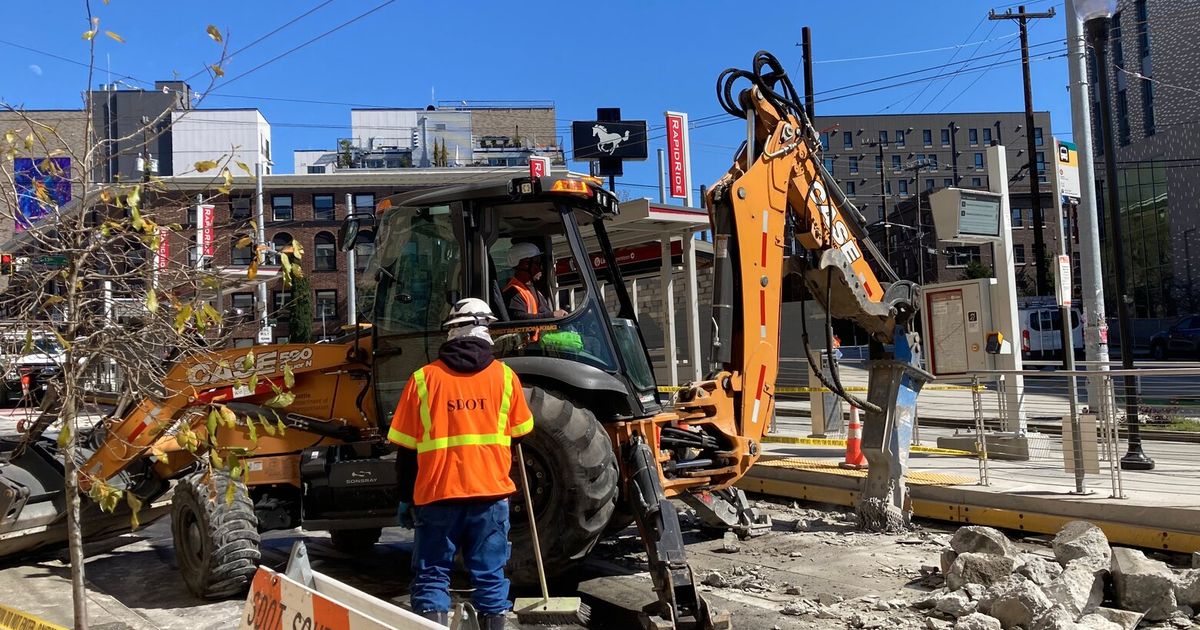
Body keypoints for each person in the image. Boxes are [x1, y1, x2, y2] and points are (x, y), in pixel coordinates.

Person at [388, 298, 534, 629]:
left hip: (438, 496)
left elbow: (407, 451)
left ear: (451, 332)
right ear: (486, 330)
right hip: (490, 496)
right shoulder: (506, 378)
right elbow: (520, 434)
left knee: (432, 575)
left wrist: (404, 497)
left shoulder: (423, 380)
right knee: (490, 576)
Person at [502, 242, 567, 320]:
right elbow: (519, 317)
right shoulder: (513, 291)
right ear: (525, 264)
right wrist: (552, 315)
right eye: (537, 263)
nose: (540, 268)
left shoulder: (531, 289)